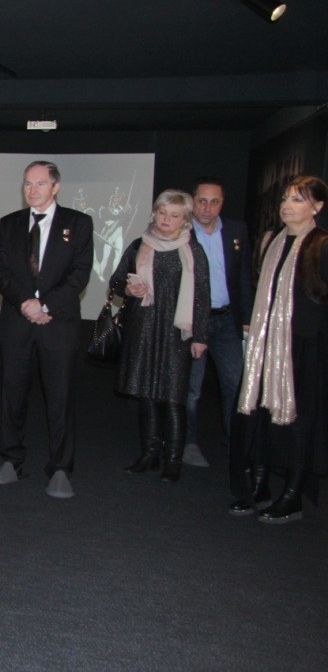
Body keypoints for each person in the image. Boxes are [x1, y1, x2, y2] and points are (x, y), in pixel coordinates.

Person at [0, 160, 94, 498]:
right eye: (27, 184)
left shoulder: (78, 223)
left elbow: (79, 274)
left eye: (40, 184)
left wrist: (44, 305)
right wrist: (26, 303)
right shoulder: (10, 223)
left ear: (56, 187)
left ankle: (60, 468)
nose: (32, 190)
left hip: (57, 325)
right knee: (12, 397)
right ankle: (11, 461)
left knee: (60, 399)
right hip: (17, 324)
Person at [230, 175, 328, 523]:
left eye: (298, 199)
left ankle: (293, 494)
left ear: (317, 206)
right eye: (285, 198)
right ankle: (260, 484)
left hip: (303, 348)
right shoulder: (270, 241)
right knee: (259, 413)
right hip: (265, 344)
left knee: (299, 421)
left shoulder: (321, 244)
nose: (287, 205)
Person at [111, 190, 210, 482]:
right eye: (162, 213)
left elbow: (202, 296)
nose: (166, 219)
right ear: (154, 213)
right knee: (147, 395)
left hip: (177, 333)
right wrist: (128, 289)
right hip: (143, 328)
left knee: (173, 397)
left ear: (185, 219)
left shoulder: (193, 250)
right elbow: (115, 282)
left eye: (174, 215)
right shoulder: (138, 245)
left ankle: (173, 461)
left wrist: (201, 336)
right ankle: (149, 455)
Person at [183, 178, 253, 467]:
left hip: (227, 321)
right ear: (193, 200)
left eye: (214, 202)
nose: (207, 208)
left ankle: (235, 443)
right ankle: (187, 442)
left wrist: (246, 319)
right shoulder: (181, 230)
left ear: (222, 203)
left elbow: (244, 277)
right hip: (192, 322)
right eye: (202, 200)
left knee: (235, 384)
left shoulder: (237, 230)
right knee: (191, 389)